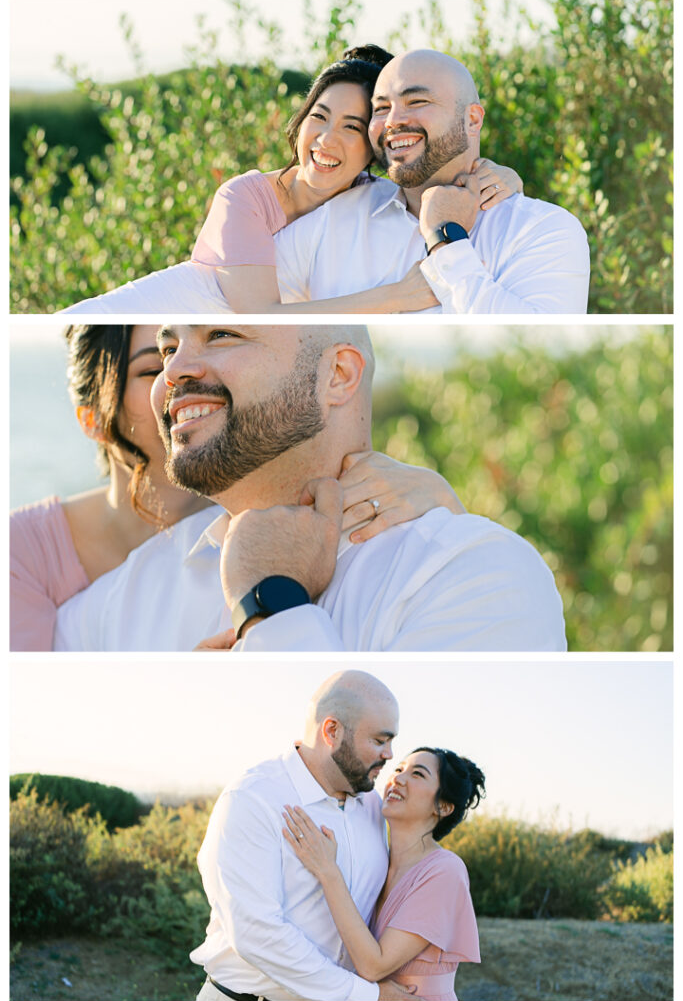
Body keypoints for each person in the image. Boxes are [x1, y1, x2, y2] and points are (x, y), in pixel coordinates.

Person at [53, 325, 567, 652]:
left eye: (222, 335)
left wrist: (271, 603)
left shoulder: (480, 577)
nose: (173, 372)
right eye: (168, 348)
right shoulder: (102, 613)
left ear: (338, 375)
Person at [60, 46, 521, 316]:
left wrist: (504, 179)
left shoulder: (372, 196)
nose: (327, 139)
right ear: (300, 123)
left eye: (352, 128)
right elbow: (261, 318)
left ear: (374, 149)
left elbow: (444, 171)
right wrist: (396, 296)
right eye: (319, 117)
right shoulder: (243, 199)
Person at [274, 49, 590, 313]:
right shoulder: (328, 222)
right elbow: (239, 315)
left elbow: (532, 345)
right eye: (381, 108)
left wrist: (448, 241)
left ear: (472, 120)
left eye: (417, 102)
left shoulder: (544, 231)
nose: (393, 122)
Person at [191, 670, 418, 1001]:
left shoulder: (373, 807)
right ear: (332, 731)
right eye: (379, 741)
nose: (389, 754)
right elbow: (257, 933)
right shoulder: (254, 799)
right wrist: (366, 997)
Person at [9, 325, 211, 650]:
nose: (181, 376)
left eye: (182, 355)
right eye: (152, 369)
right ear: (93, 420)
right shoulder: (21, 552)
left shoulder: (260, 515)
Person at [283, 745, 485, 1001]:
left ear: (443, 806)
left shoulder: (445, 871)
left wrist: (327, 871)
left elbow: (373, 965)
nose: (397, 778)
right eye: (399, 769)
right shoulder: (378, 861)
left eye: (418, 774)